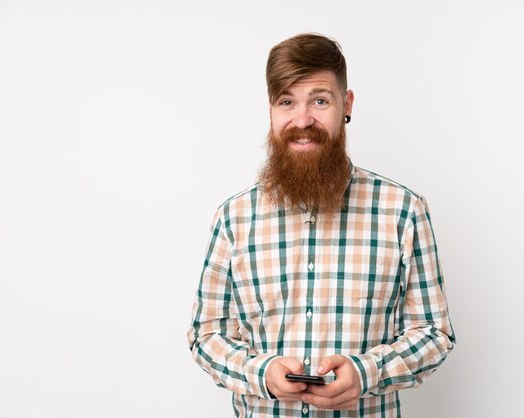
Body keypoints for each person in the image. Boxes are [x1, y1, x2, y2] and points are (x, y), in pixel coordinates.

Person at [187, 33, 456, 418]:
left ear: (345, 105)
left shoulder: (403, 210)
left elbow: (434, 333)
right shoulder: (233, 217)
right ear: (270, 110)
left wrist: (367, 373)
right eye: (287, 102)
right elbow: (206, 335)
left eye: (319, 100)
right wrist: (260, 373)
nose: (302, 120)